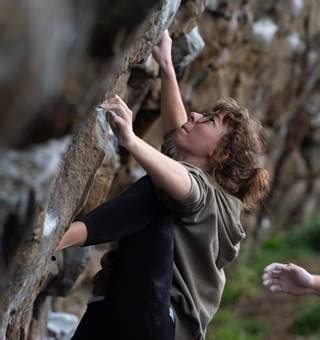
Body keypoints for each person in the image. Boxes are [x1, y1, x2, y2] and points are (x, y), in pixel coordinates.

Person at [56, 30, 269, 340]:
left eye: (209, 121)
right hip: (123, 312)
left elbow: (185, 186)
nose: (196, 115)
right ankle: (59, 238)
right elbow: (177, 134)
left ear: (219, 154)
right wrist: (167, 66)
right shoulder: (204, 180)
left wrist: (130, 139)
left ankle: (56, 237)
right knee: (161, 185)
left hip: (155, 322)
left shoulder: (207, 198)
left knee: (156, 197)